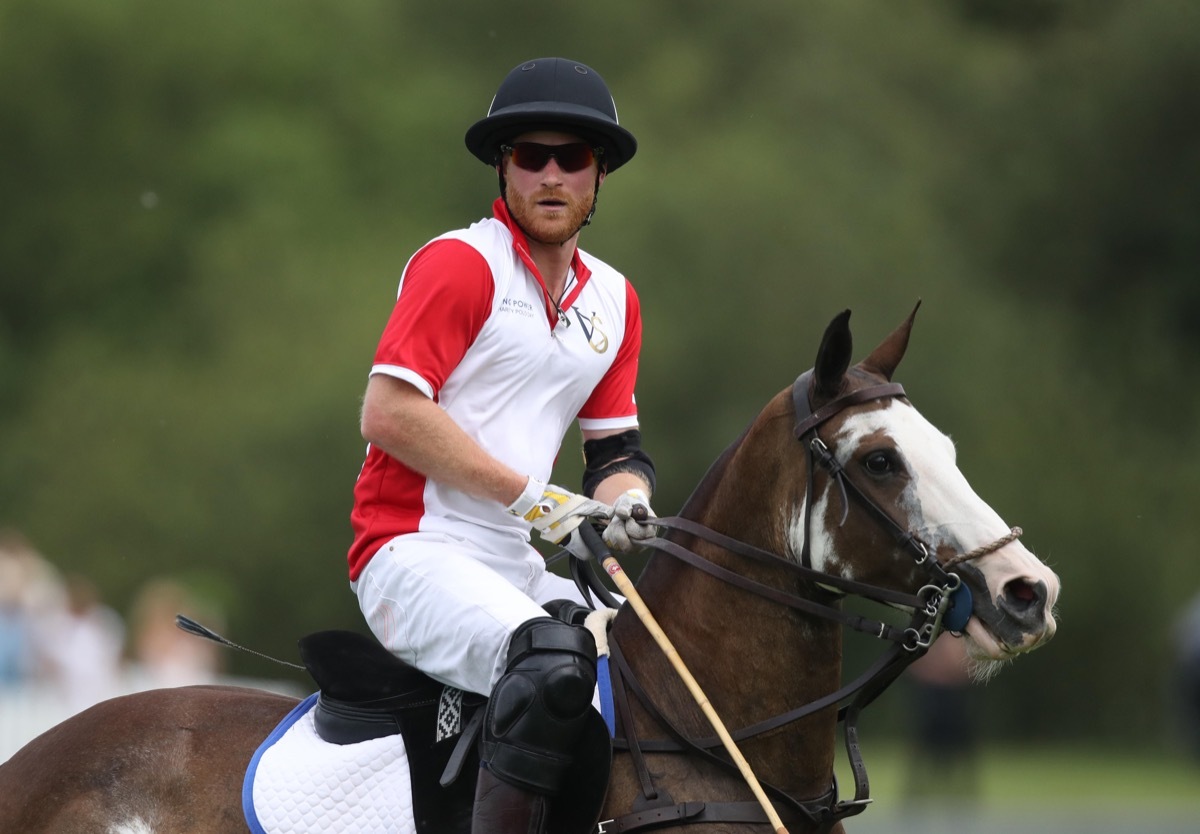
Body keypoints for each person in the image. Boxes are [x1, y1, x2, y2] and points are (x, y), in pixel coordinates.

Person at [347, 57, 657, 833]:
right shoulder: (462, 263)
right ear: (504, 167)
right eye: (531, 156)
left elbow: (614, 453)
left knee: (655, 669)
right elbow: (388, 413)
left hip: (513, 563)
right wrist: (534, 498)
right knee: (549, 664)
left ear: (600, 176)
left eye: (572, 158)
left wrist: (628, 509)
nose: (551, 175)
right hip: (407, 551)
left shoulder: (615, 299)